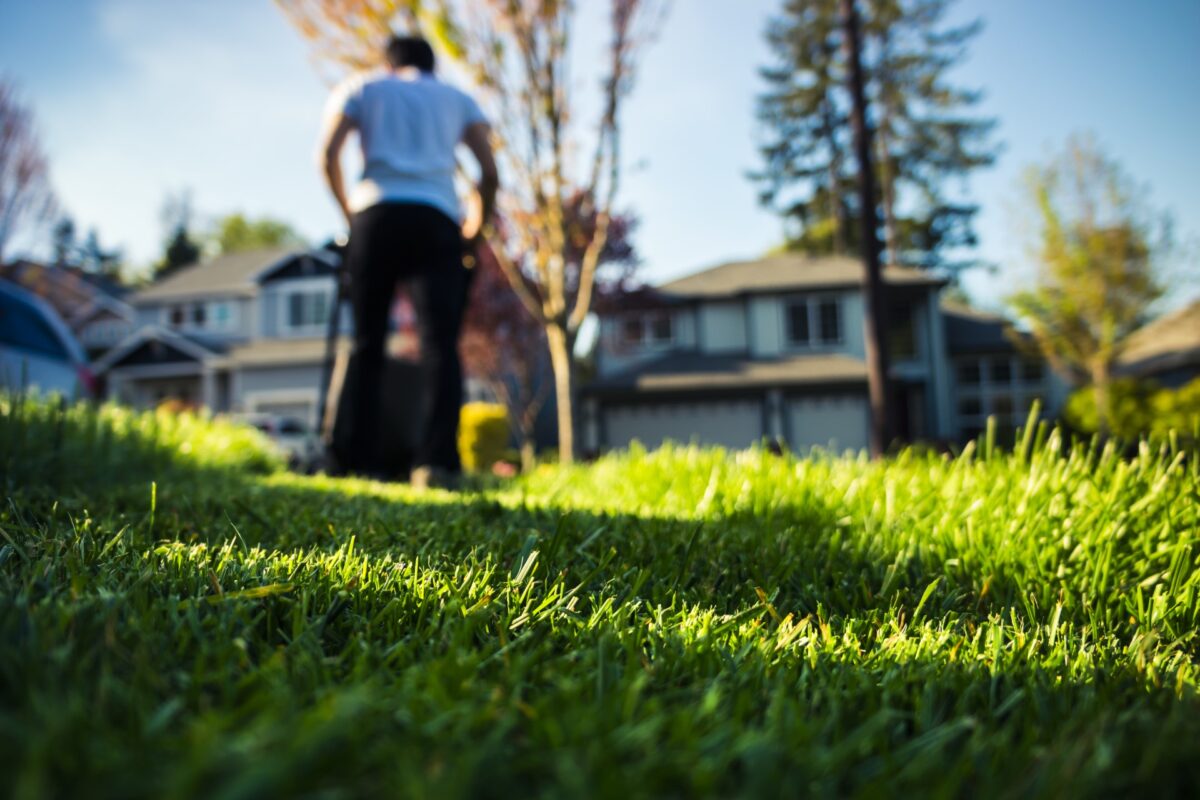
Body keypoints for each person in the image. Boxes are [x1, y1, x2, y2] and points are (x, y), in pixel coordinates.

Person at [317, 34, 498, 488]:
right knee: (441, 345)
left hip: (375, 214)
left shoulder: (364, 87)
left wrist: (350, 215)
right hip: (437, 217)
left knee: (367, 341)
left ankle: (359, 460)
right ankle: (436, 464)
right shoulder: (457, 97)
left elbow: (327, 154)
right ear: (432, 64)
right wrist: (474, 230)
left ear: (389, 62)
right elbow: (489, 174)